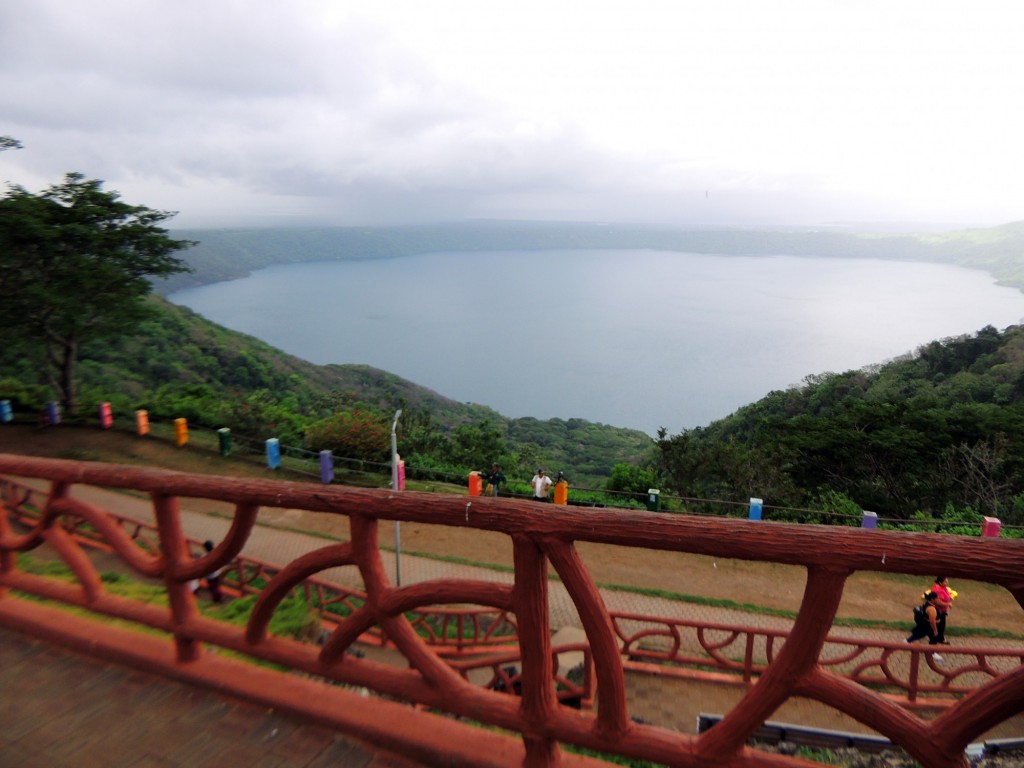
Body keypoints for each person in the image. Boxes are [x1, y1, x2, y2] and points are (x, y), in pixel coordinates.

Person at [906, 592, 942, 657]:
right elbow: (932, 621)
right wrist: (935, 630)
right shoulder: (931, 609)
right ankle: (932, 652)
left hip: (925, 624)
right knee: (933, 638)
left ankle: (907, 641)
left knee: (919, 634)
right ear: (932, 599)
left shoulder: (927, 604)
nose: (939, 599)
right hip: (930, 626)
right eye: (937, 598)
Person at [930, 576, 954, 644]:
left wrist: (949, 599)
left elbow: (947, 596)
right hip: (938, 611)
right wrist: (948, 604)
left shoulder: (944, 588)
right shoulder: (938, 590)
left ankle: (940, 638)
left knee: (941, 625)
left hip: (942, 611)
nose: (947, 583)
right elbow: (938, 602)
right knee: (939, 626)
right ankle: (935, 641)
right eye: (945, 581)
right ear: (940, 582)